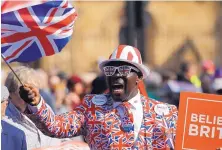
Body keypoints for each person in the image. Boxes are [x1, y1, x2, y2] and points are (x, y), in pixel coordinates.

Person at [20, 45, 178, 149]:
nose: (116, 75)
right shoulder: (92, 107)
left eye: (123, 70)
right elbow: (55, 127)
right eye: (110, 70)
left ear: (139, 76)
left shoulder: (165, 114)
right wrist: (36, 103)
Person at [2, 66, 65, 150]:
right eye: (24, 92)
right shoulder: (5, 123)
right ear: (10, 93)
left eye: (33, 90)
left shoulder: (43, 112)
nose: (29, 96)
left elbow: (59, 135)